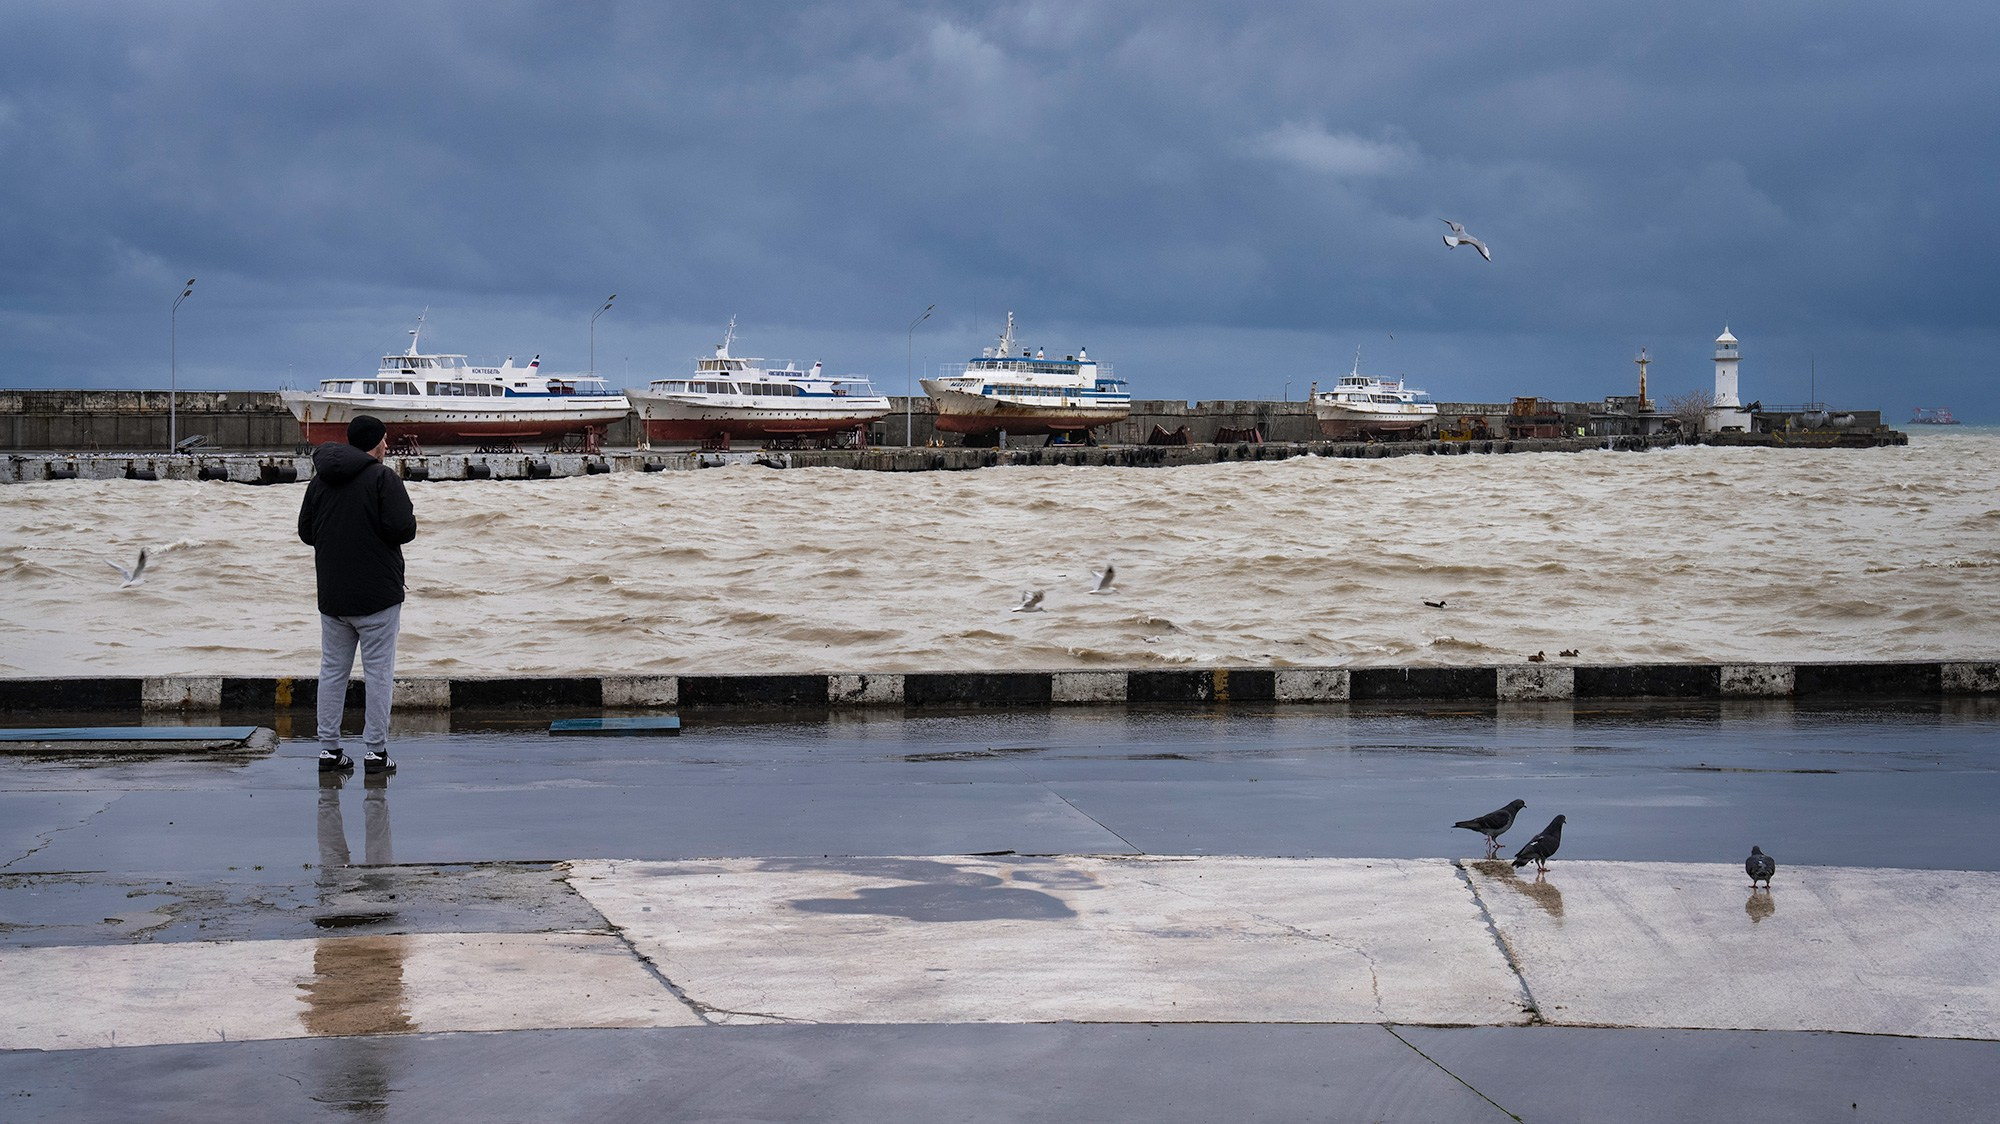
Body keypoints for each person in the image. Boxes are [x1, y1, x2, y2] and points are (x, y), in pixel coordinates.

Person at [298, 415, 417, 774]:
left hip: (333, 595)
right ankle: (375, 753)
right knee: (378, 674)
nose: (387, 445)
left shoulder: (320, 480)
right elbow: (403, 529)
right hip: (378, 596)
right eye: (385, 439)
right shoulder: (383, 478)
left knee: (332, 671)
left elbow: (306, 532)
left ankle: (329, 751)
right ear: (375, 443)